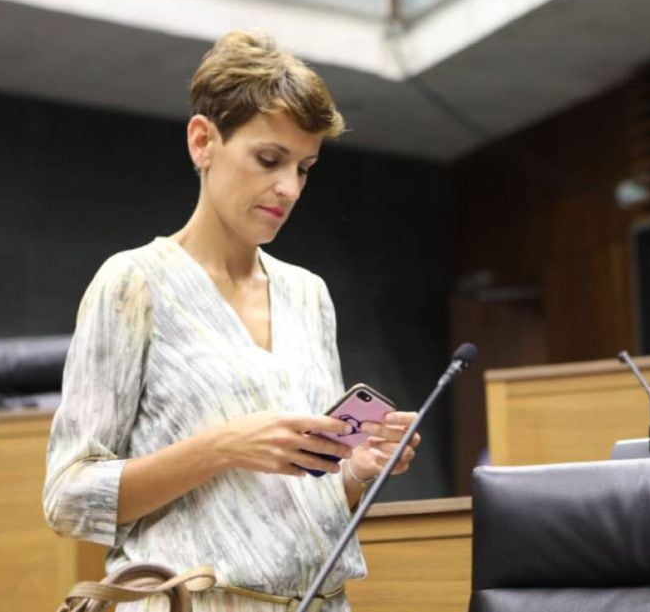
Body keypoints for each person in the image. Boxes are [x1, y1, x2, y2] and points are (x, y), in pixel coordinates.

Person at [43, 30, 420, 611]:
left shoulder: (309, 295)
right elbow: (68, 498)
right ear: (203, 141)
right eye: (269, 160)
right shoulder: (134, 282)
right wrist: (223, 446)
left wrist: (353, 475)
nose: (288, 188)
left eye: (305, 168)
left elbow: (289, 503)